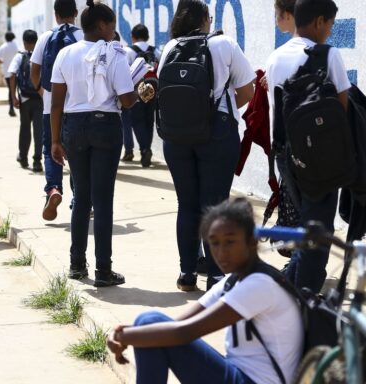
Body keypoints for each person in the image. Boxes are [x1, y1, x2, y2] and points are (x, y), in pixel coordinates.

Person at [107, 198, 303, 384]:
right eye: (214, 243)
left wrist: (125, 337)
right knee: (150, 325)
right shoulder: (233, 281)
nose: (221, 252)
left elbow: (184, 333)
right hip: (238, 374)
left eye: (230, 242)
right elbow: (177, 325)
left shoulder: (259, 284)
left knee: (150, 323)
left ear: (251, 241)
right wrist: (126, 333)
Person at [50, 0, 154, 287]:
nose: (113, 30)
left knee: (81, 197)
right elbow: (126, 99)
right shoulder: (115, 54)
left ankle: (76, 265)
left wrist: (55, 140)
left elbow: (57, 102)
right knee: (103, 199)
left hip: (73, 126)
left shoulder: (65, 54)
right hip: (105, 126)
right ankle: (103, 270)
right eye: (111, 25)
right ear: (101, 25)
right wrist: (139, 90)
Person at [159, 0, 255, 291]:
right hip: (216, 135)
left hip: (176, 138)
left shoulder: (170, 46)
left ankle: (187, 274)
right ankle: (216, 274)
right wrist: (217, 112)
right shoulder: (224, 44)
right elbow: (247, 89)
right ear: (204, 19)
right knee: (214, 205)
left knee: (186, 205)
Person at [265, 0, 350, 293]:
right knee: (318, 233)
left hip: (286, 155)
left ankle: (289, 288)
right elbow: (342, 107)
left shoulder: (275, 57)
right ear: (318, 22)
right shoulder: (329, 54)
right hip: (320, 159)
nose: (329, 31)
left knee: (305, 227)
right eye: (329, 25)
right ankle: (304, 302)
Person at [30, 0, 84, 221]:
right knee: (76, 152)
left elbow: (35, 70)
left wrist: (43, 92)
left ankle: (53, 189)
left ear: (55, 15)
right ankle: (78, 200)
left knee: (49, 148)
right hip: (76, 106)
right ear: (75, 13)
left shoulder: (45, 37)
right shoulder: (83, 37)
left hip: (50, 105)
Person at [122, 24, 160, 167]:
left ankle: (144, 148)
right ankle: (147, 148)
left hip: (137, 90)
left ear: (132, 36)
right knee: (149, 120)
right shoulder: (155, 50)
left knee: (137, 121)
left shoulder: (129, 51)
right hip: (152, 90)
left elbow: (124, 71)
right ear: (148, 36)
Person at [9, 29, 43, 172]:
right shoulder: (42, 56)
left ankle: (23, 158)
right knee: (39, 130)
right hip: (40, 98)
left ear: (24, 42)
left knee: (25, 129)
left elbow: (12, 75)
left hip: (25, 99)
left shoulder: (19, 57)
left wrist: (13, 97)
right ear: (36, 41)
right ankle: (37, 161)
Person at [0, 31, 19, 117]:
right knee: (14, 90)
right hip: (16, 71)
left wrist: (4, 61)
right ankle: (12, 107)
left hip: (7, 72)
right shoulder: (15, 46)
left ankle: (11, 107)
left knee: (11, 90)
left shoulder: (3, 46)